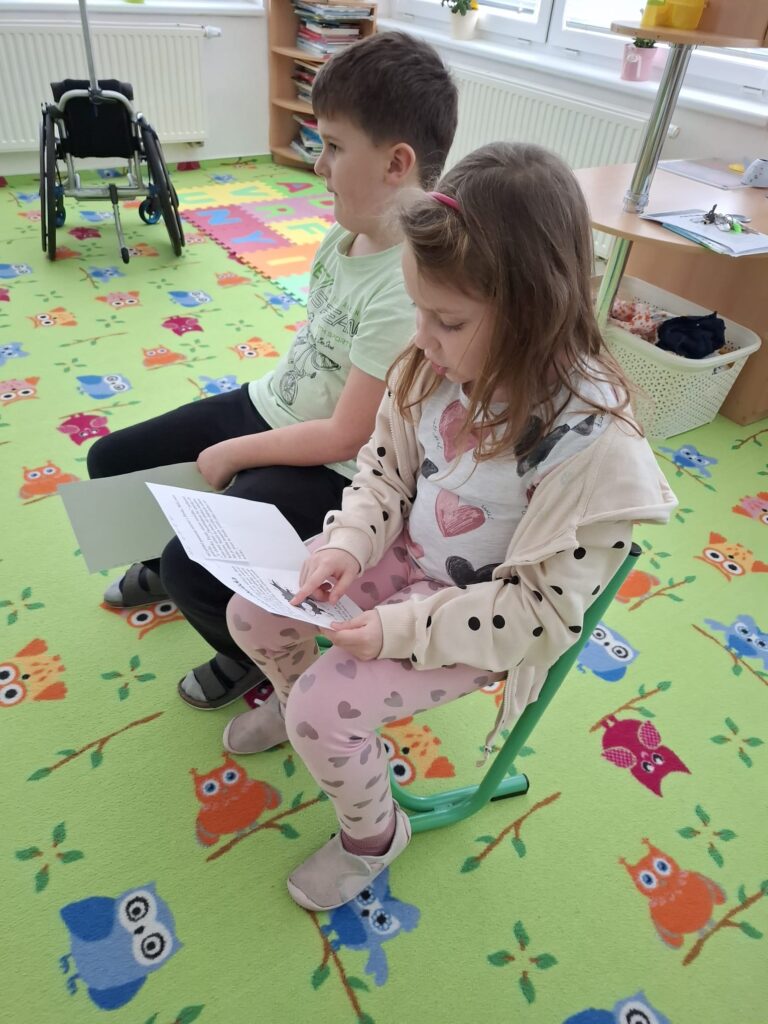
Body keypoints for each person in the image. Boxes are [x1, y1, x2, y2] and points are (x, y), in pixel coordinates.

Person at [218, 142, 678, 911]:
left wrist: (397, 630)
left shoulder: (595, 446)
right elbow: (384, 474)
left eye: (447, 319)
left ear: (532, 313)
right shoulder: (433, 363)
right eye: (418, 308)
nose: (421, 335)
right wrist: (347, 543)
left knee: (325, 712)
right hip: (407, 556)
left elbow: (537, 617)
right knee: (253, 613)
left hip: (480, 621)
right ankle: (301, 707)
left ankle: (373, 837)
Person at [86, 32, 458, 710]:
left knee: (192, 567)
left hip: (334, 466)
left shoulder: (407, 285)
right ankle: (159, 561)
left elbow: (347, 435)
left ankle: (249, 658)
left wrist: (235, 451)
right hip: (272, 404)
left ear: (396, 163)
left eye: (334, 146)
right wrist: (237, 435)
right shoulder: (345, 233)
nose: (319, 165)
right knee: (112, 462)